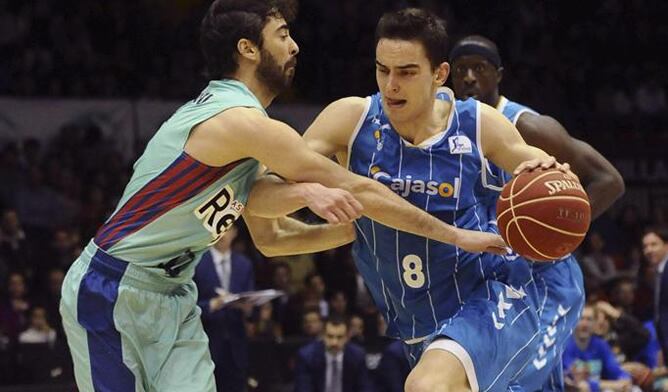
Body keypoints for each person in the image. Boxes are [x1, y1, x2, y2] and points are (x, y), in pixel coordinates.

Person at [59, 1, 507, 391]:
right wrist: (456, 235)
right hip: (114, 285)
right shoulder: (241, 123)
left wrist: (355, 228)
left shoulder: (248, 134)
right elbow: (356, 187)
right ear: (248, 49)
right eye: (283, 35)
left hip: (175, 291)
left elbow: (267, 231)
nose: (294, 47)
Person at [300, 8, 576, 392]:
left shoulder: (477, 122)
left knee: (426, 387)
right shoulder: (351, 120)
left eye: (407, 72)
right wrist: (304, 190)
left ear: (439, 74)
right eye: (383, 70)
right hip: (419, 323)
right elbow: (267, 188)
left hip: (491, 291)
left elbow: (536, 167)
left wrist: (556, 178)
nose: (391, 85)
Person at [448, 34, 625, 391]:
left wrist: (558, 234)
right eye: (461, 70)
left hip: (548, 279)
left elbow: (609, 180)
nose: (469, 78)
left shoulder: (528, 126)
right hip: (496, 276)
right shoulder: (451, 126)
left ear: (499, 75)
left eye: (479, 69)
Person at [193, 225, 254, 392]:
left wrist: (248, 308)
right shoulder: (197, 262)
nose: (222, 233)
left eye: (227, 229)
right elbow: (187, 306)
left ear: (235, 232)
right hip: (206, 339)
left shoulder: (244, 264)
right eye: (219, 228)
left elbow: (251, 302)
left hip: (236, 342)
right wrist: (212, 304)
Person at [562, 304, 632, 392]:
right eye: (581, 318)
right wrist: (613, 385)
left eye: (589, 319)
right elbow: (577, 382)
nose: (585, 324)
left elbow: (616, 370)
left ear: (595, 323)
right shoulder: (564, 346)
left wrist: (625, 379)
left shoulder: (601, 345)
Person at [294, 316, 373, 392]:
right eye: (330, 336)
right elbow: (303, 388)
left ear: (347, 337)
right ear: (323, 335)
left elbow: (365, 387)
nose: (334, 342)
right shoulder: (307, 356)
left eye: (339, 337)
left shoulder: (358, 356)